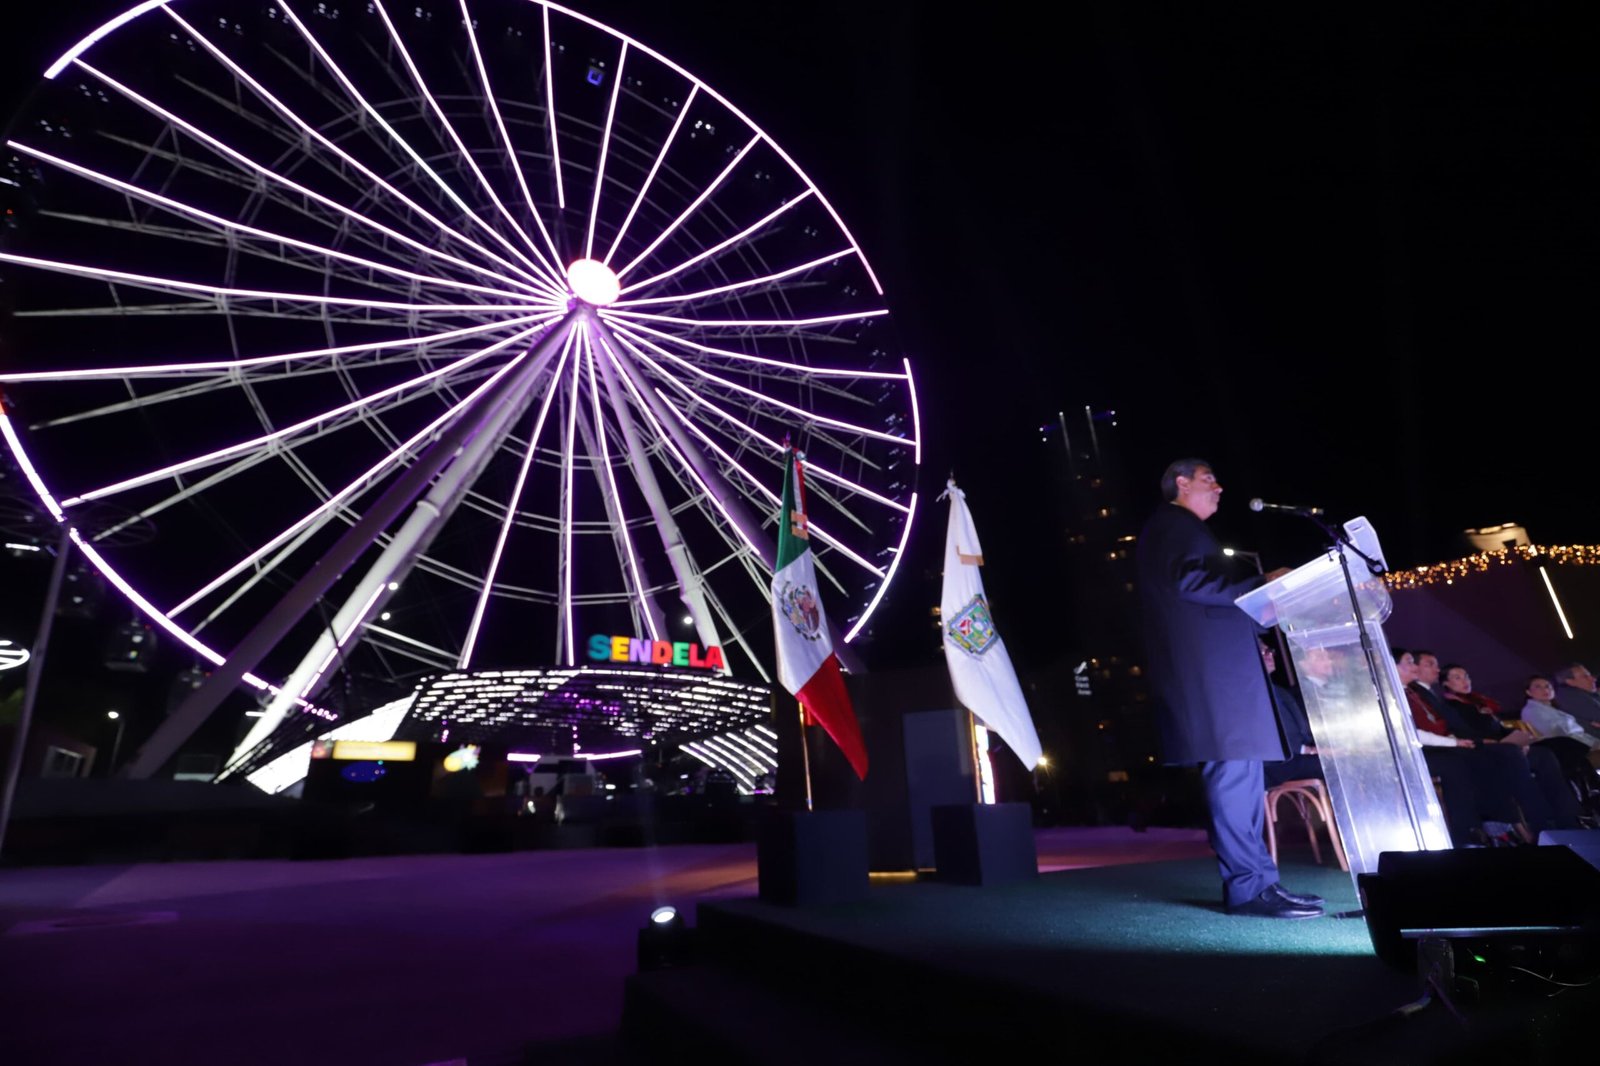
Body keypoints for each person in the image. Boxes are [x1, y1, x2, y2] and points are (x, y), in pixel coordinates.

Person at [1136, 458, 1323, 919]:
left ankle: (1261, 882)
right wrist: (1261, 584)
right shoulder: (1174, 524)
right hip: (1213, 682)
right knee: (1234, 779)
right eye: (1209, 479)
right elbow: (1189, 582)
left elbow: (1203, 596)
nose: (1219, 487)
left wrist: (1259, 615)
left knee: (1244, 780)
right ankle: (1247, 888)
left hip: (1223, 679)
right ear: (1181, 483)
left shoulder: (1183, 529)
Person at [1415, 654, 1579, 832]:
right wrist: (1501, 742)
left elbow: (1499, 729)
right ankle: (1540, 823)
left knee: (1545, 755)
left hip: (1502, 745)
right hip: (1485, 748)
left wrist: (1520, 738)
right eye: (1457, 678)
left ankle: (1568, 818)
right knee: (1514, 757)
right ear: (1446, 683)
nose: (1465, 681)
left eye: (1466, 676)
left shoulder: (1478, 702)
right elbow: (1464, 732)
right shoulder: (1451, 705)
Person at [1260, 638, 1321, 787]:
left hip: (1298, 754)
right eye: (1261, 653)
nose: (1269, 656)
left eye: (1269, 651)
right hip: (1278, 763)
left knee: (1344, 759)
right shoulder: (1251, 696)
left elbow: (1302, 730)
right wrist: (1308, 750)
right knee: (1333, 765)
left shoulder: (1281, 692)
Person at [1552, 664, 1600, 739]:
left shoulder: (1583, 693)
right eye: (1585, 676)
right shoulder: (1570, 697)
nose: (1593, 679)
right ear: (1570, 682)